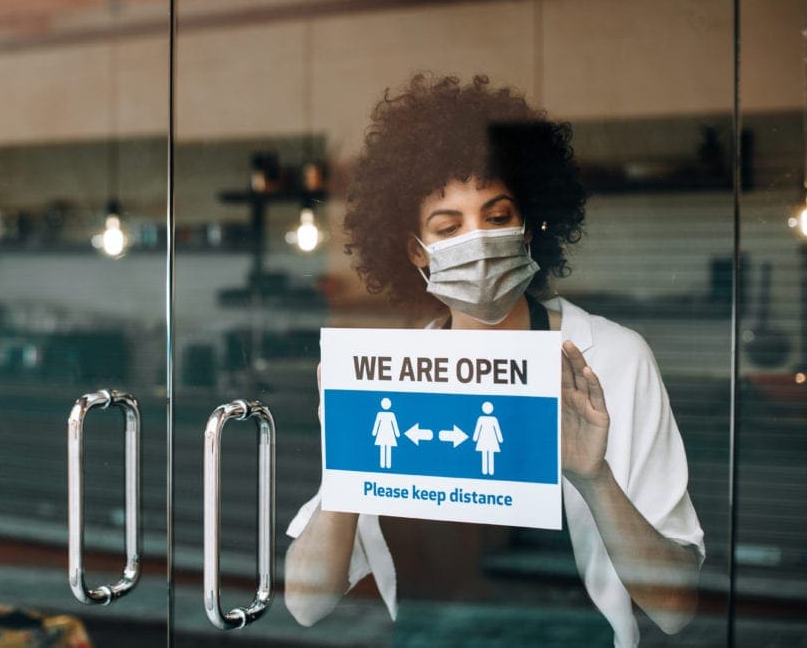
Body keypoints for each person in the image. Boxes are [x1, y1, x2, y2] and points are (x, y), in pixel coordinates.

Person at [283, 74, 704, 647]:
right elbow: (306, 605)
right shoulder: (394, 375)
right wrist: (345, 469)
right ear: (416, 252)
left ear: (528, 226)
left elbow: (676, 607)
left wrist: (595, 479)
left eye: (497, 215)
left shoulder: (613, 359)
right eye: (448, 228)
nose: (477, 241)